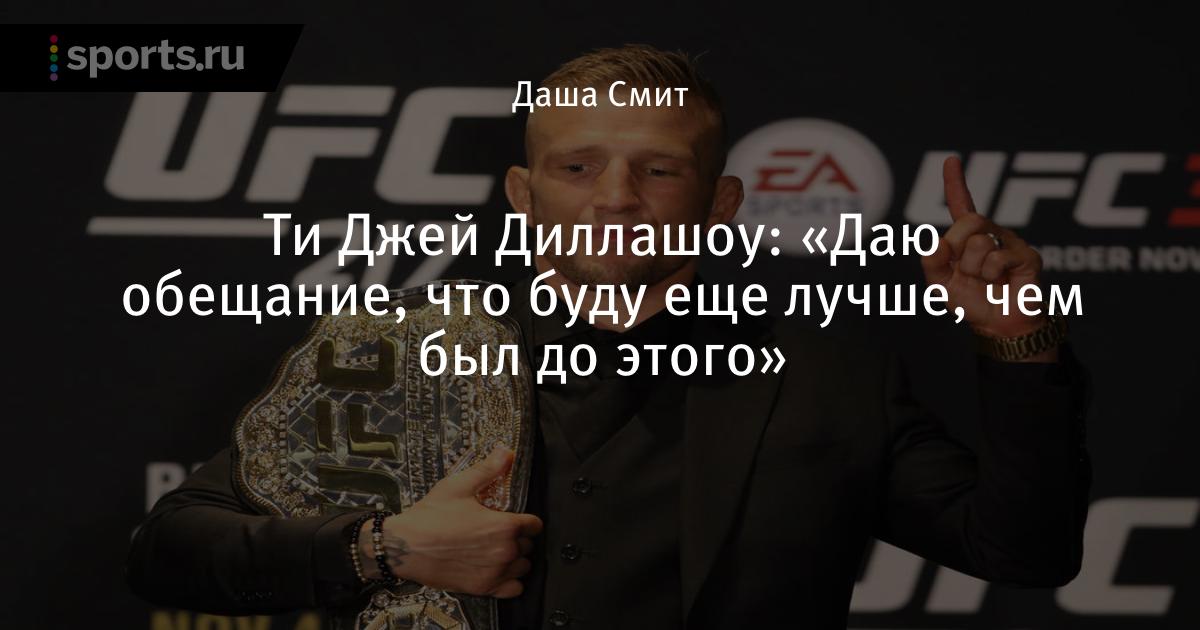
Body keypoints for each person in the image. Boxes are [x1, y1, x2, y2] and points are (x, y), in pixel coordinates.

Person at [127, 44, 1091, 629]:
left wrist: (1021, 344)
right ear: (524, 193)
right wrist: (385, 549)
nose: (617, 199)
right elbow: (169, 550)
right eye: (579, 167)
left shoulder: (824, 375)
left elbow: (1023, 552)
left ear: (720, 201)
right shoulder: (403, 362)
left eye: (658, 171)